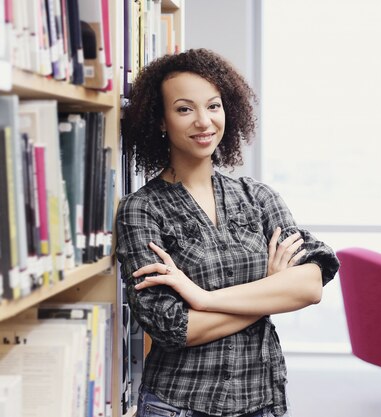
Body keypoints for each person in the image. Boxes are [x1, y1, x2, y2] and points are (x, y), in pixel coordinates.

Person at [115, 48, 340, 417]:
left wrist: (202, 299)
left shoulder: (258, 197)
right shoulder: (141, 209)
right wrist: (269, 291)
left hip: (261, 401)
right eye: (185, 109)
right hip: (179, 405)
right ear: (161, 120)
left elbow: (310, 285)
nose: (204, 122)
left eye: (214, 106)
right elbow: (173, 328)